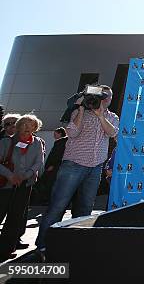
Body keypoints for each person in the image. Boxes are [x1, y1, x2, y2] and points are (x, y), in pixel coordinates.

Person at [35, 85, 119, 254]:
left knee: (85, 208)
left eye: (108, 97)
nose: (104, 100)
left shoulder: (112, 117)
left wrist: (101, 116)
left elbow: (112, 133)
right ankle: (43, 243)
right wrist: (81, 108)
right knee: (58, 205)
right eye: (101, 96)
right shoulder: (79, 112)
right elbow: (72, 133)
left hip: (95, 167)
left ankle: (76, 242)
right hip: (73, 165)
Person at [0, 114, 45, 261]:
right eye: (25, 125)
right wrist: (10, 176)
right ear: (18, 127)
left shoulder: (37, 142)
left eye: (31, 126)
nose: (28, 129)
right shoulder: (7, 142)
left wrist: (25, 176)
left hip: (25, 185)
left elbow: (39, 162)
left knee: (15, 217)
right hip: (6, 184)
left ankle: (6, 250)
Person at [31, 127, 68, 205]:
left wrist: (52, 165)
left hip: (54, 168)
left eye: (55, 134)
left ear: (60, 133)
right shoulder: (62, 142)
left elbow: (57, 156)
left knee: (49, 184)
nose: (54, 136)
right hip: (54, 167)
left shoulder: (61, 142)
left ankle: (47, 199)